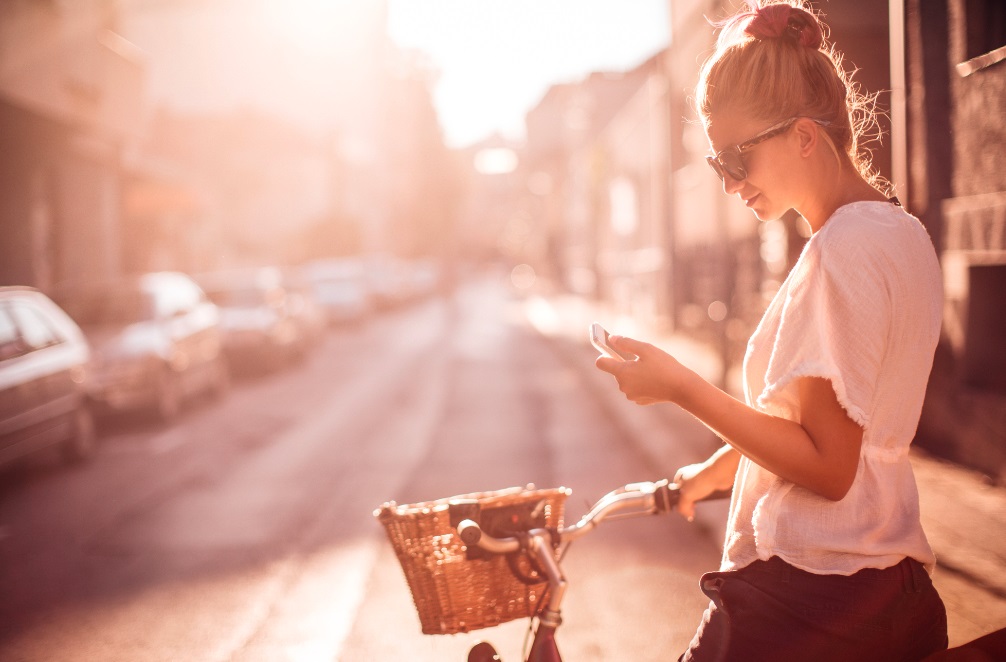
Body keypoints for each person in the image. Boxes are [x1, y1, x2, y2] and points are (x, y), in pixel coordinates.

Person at [594, 2, 948, 660]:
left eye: (736, 158)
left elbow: (827, 467)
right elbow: (834, 430)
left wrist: (681, 388)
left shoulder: (839, 253)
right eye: (714, 164)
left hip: (807, 604)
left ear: (805, 137)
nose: (728, 184)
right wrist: (703, 476)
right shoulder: (903, 233)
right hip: (897, 595)